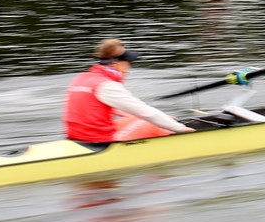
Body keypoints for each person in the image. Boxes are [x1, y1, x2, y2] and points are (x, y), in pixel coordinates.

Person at [63, 39, 194, 147]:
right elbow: (145, 112)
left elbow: (112, 108)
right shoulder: (107, 85)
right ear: (116, 63)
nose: (129, 68)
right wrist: (180, 128)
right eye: (128, 63)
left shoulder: (81, 78)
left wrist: (163, 118)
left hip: (76, 137)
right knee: (150, 122)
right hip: (98, 141)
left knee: (148, 119)